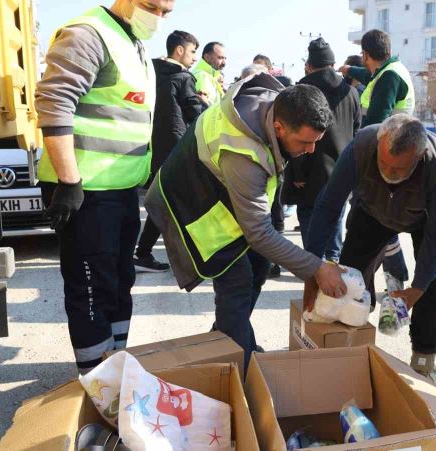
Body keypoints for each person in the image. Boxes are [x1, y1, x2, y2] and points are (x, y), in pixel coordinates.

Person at [35, 0, 179, 374]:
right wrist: (69, 181)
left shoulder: (132, 41)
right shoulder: (88, 34)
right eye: (150, 6)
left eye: (165, 12)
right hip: (85, 191)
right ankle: (96, 379)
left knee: (119, 282)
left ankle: (116, 363)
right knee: (92, 289)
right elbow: (55, 104)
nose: (157, 18)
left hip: (118, 191)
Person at [145, 75, 347, 367]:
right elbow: (258, 233)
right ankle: (240, 369)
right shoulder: (243, 152)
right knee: (236, 282)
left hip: (221, 190)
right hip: (191, 201)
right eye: (304, 142)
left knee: (260, 266)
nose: (310, 150)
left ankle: (228, 337)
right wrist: (317, 269)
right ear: (278, 128)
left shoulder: (277, 103)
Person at [304, 114, 436, 382]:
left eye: (399, 170)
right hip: (372, 211)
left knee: (432, 286)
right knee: (351, 272)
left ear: (419, 155)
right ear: (378, 144)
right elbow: (328, 206)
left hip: (425, 220)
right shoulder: (360, 147)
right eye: (383, 164)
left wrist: (415, 291)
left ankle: (424, 358)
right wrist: (312, 269)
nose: (388, 174)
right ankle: (352, 340)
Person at [338, 29, 414, 292]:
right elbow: (369, 75)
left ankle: (390, 278)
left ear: (366, 54)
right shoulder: (390, 70)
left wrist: (359, 154)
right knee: (379, 220)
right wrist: (349, 70)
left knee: (373, 219)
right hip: (393, 152)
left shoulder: (389, 78)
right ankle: (387, 280)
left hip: (384, 157)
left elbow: (377, 123)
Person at [134, 30, 209, 273]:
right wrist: (203, 103)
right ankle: (193, 258)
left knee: (166, 201)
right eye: (193, 51)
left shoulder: (150, 73)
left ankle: (144, 252)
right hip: (178, 148)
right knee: (183, 202)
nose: (194, 57)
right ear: (179, 50)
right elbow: (193, 112)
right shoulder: (182, 77)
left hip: (152, 147)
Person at [283, 37, 361, 262]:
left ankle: (314, 263)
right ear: (333, 64)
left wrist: (297, 172)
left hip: (309, 167)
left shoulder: (302, 90)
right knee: (335, 213)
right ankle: (333, 260)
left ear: (309, 65)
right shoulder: (351, 92)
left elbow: (294, 133)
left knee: (309, 213)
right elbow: (356, 132)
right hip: (343, 166)